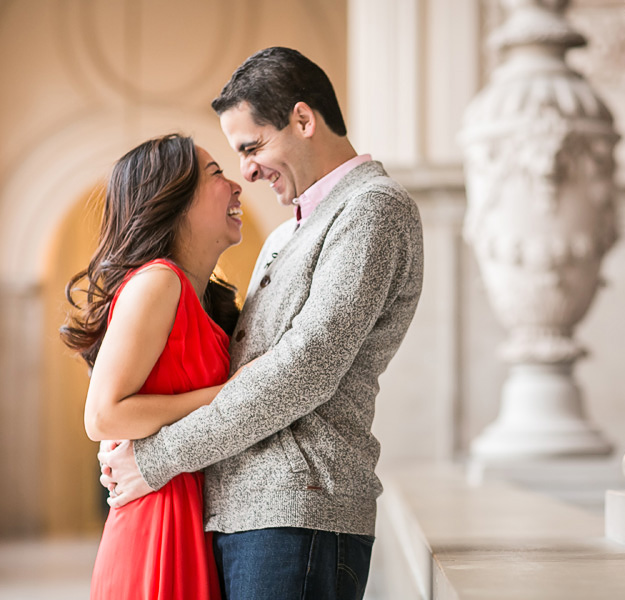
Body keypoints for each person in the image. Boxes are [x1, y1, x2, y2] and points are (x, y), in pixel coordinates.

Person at [100, 46, 425, 600]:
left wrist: (156, 458)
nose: (246, 171)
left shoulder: (372, 208)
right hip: (240, 514)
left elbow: (304, 371)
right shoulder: (283, 236)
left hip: (300, 511)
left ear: (303, 119)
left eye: (252, 147)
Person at [61, 133, 245, 599]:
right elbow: (103, 415)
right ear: (173, 200)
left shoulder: (200, 296)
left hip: (187, 511)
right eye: (217, 174)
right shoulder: (159, 281)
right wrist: (227, 394)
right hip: (157, 522)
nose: (238, 185)